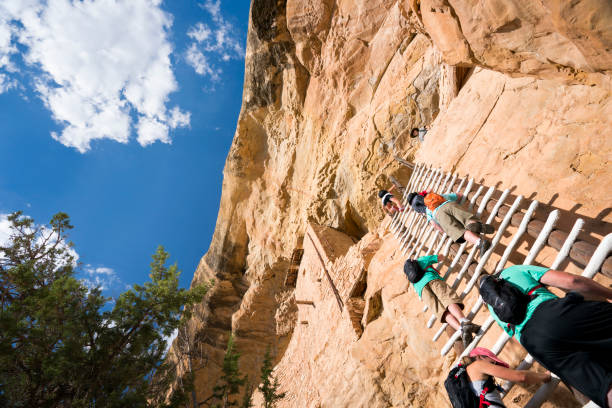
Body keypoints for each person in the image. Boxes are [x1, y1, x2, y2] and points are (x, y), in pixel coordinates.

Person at [478, 266, 612, 408]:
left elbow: (517, 336)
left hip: (535, 344)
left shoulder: (493, 308)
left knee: (603, 386)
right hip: (552, 314)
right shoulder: (510, 272)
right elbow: (572, 281)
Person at [404, 254, 480, 347]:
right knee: (447, 299)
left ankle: (460, 330)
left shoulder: (410, 278)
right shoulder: (420, 260)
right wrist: (443, 258)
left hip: (423, 291)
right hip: (431, 280)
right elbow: (439, 257)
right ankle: (463, 321)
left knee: (441, 311)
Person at [407, 191, 493, 256]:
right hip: (448, 204)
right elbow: (457, 195)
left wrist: (444, 231)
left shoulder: (428, 210)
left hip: (439, 214)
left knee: (459, 232)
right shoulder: (438, 196)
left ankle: (480, 242)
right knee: (467, 219)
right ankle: (476, 225)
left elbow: (434, 224)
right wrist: (459, 196)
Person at [460, 347, 551, 407]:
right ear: (480, 357)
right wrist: (545, 376)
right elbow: (521, 376)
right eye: (493, 362)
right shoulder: (478, 365)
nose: (494, 365)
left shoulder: (466, 376)